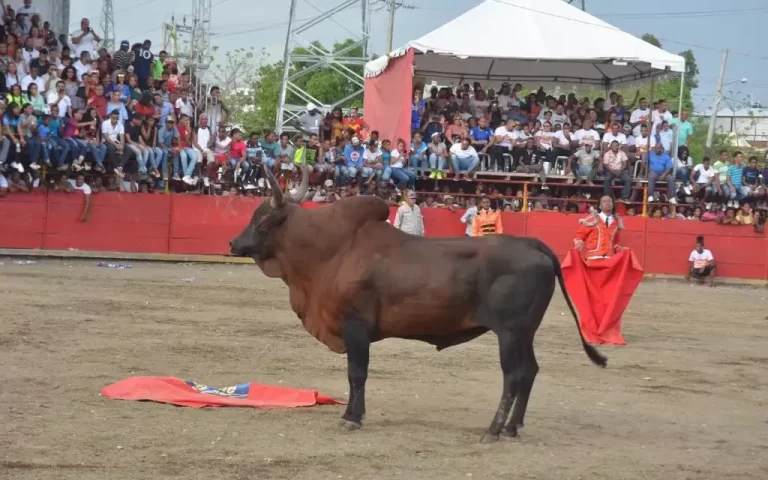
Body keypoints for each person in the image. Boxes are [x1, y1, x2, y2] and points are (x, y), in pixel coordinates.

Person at [573, 195, 624, 260]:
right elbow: (580, 234)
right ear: (600, 206)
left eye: (609, 201)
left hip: (609, 258)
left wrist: (620, 248)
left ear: (613, 205)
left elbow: (616, 242)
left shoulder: (617, 222)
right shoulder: (592, 218)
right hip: (593, 256)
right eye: (604, 201)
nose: (607, 203)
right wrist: (579, 242)